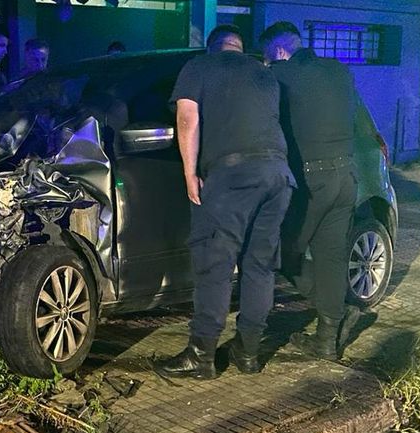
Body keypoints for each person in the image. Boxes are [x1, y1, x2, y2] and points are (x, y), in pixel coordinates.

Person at [155, 24, 295, 379]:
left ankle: (201, 357)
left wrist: (189, 173)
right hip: (278, 176)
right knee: (260, 266)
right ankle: (248, 354)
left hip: (232, 178)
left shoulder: (200, 66)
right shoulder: (264, 75)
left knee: (214, 265)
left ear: (212, 46)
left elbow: (187, 118)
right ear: (240, 47)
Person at [259, 21, 365, 361]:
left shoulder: (282, 75)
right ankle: (326, 339)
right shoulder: (339, 71)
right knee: (331, 257)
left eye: (268, 57)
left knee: (283, 252)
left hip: (311, 182)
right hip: (346, 178)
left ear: (278, 52)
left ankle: (334, 310)